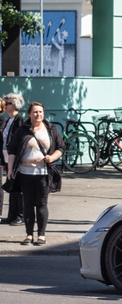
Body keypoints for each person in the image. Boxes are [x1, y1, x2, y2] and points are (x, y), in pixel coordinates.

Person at [7, 102, 65, 246]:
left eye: (40, 112)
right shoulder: (22, 130)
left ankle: (41, 235)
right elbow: (12, 151)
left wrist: (52, 158)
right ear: (29, 114)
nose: (38, 114)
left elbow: (61, 147)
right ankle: (28, 234)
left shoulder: (51, 129)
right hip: (25, 172)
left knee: (41, 204)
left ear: (43, 113)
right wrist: (9, 171)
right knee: (28, 204)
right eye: (35, 112)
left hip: (44, 173)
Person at [1, 93, 25, 225]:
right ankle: (11, 215)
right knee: (11, 185)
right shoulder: (8, 120)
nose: (6, 105)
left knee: (17, 187)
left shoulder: (19, 120)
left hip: (15, 156)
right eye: (6, 102)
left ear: (15, 105)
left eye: (9, 103)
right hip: (7, 156)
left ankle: (19, 215)